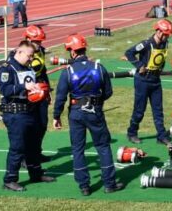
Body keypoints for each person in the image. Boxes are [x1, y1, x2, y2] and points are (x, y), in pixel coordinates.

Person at [52, 34, 124, 196]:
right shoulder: (99, 67)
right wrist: (97, 102)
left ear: (72, 52)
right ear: (84, 49)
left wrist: (57, 116)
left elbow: (61, 97)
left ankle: (84, 186)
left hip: (76, 112)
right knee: (103, 146)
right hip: (95, 111)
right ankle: (109, 184)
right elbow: (108, 92)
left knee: (78, 149)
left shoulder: (68, 71)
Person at [0, 40, 56, 192]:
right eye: (29, 56)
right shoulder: (6, 69)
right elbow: (5, 90)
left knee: (34, 145)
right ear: (20, 52)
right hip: (16, 114)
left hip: (31, 111)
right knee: (18, 148)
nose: (31, 59)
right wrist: (24, 87)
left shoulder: (27, 67)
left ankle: (35, 174)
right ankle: (10, 180)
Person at [124, 19, 172, 146]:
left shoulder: (164, 43)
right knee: (139, 110)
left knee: (158, 110)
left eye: (167, 35)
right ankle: (132, 133)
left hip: (155, 81)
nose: (166, 37)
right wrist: (139, 65)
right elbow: (129, 53)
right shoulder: (146, 44)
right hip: (143, 81)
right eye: (164, 34)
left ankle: (161, 135)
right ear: (158, 31)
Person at [24, 25, 54, 162]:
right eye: (36, 42)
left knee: (42, 123)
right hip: (28, 95)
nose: (39, 44)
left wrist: (48, 90)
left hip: (41, 92)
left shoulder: (41, 51)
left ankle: (36, 152)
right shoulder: (20, 55)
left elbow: (43, 72)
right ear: (28, 39)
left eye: (40, 41)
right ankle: (25, 157)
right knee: (29, 125)